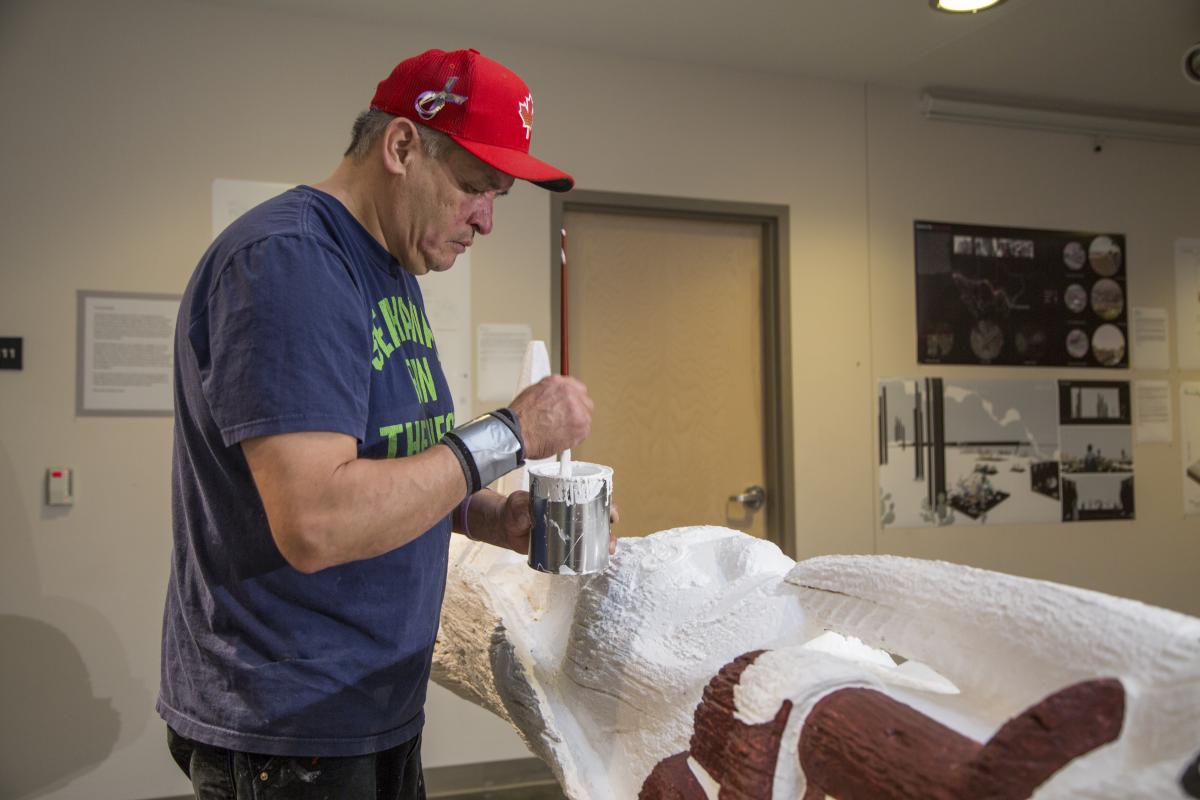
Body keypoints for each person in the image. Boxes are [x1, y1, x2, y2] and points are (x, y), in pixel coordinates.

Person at [158, 48, 596, 799]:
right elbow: (319, 518)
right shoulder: (291, 263)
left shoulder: (391, 265)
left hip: (368, 703)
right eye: (473, 187)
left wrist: (493, 517)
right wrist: (510, 434)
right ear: (400, 147)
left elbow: (389, 462)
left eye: (499, 196)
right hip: (290, 724)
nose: (486, 220)